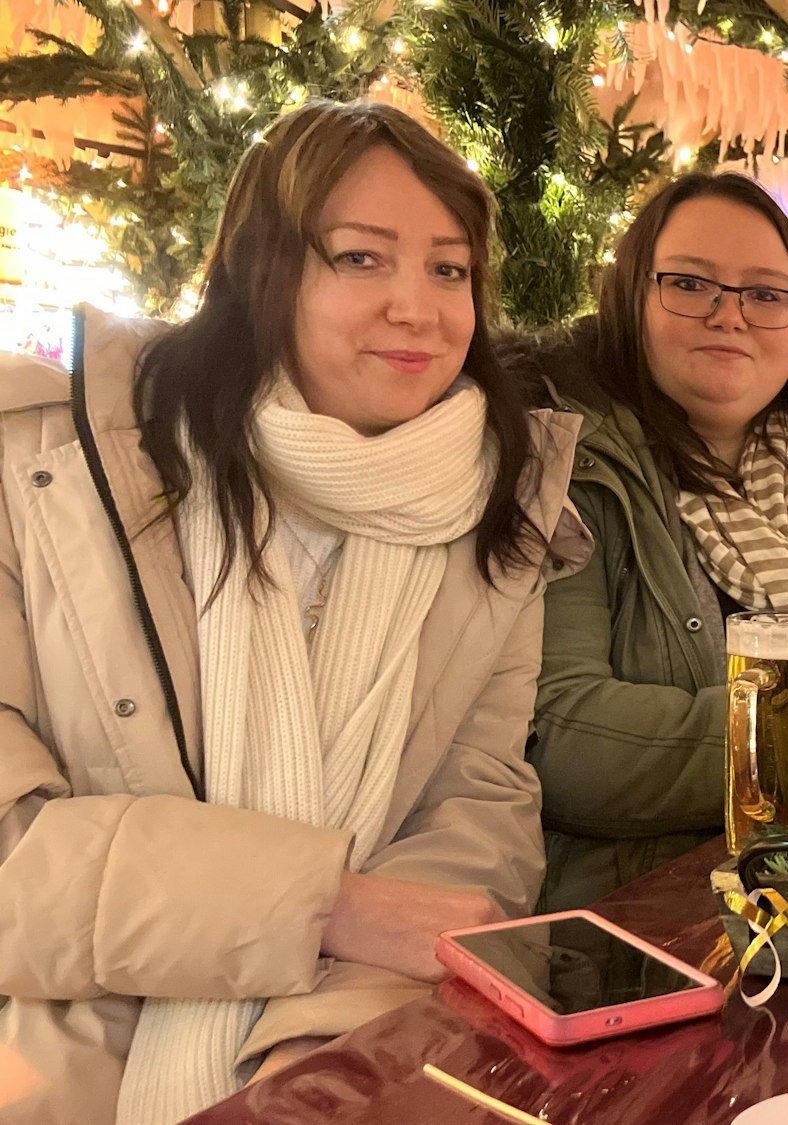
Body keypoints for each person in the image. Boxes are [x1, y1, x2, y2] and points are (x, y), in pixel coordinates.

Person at [0, 100, 585, 1125]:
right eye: (361, 259)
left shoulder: (501, 510)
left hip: (353, 1048)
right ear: (260, 272)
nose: (419, 307)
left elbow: (477, 810)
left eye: (450, 269)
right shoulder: (46, 467)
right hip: (64, 1056)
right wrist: (329, 906)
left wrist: (325, 1061)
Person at [524, 174, 788, 912]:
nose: (730, 316)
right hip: (662, 915)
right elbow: (563, 738)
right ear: (633, 295)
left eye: (764, 294)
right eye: (691, 284)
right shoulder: (575, 465)